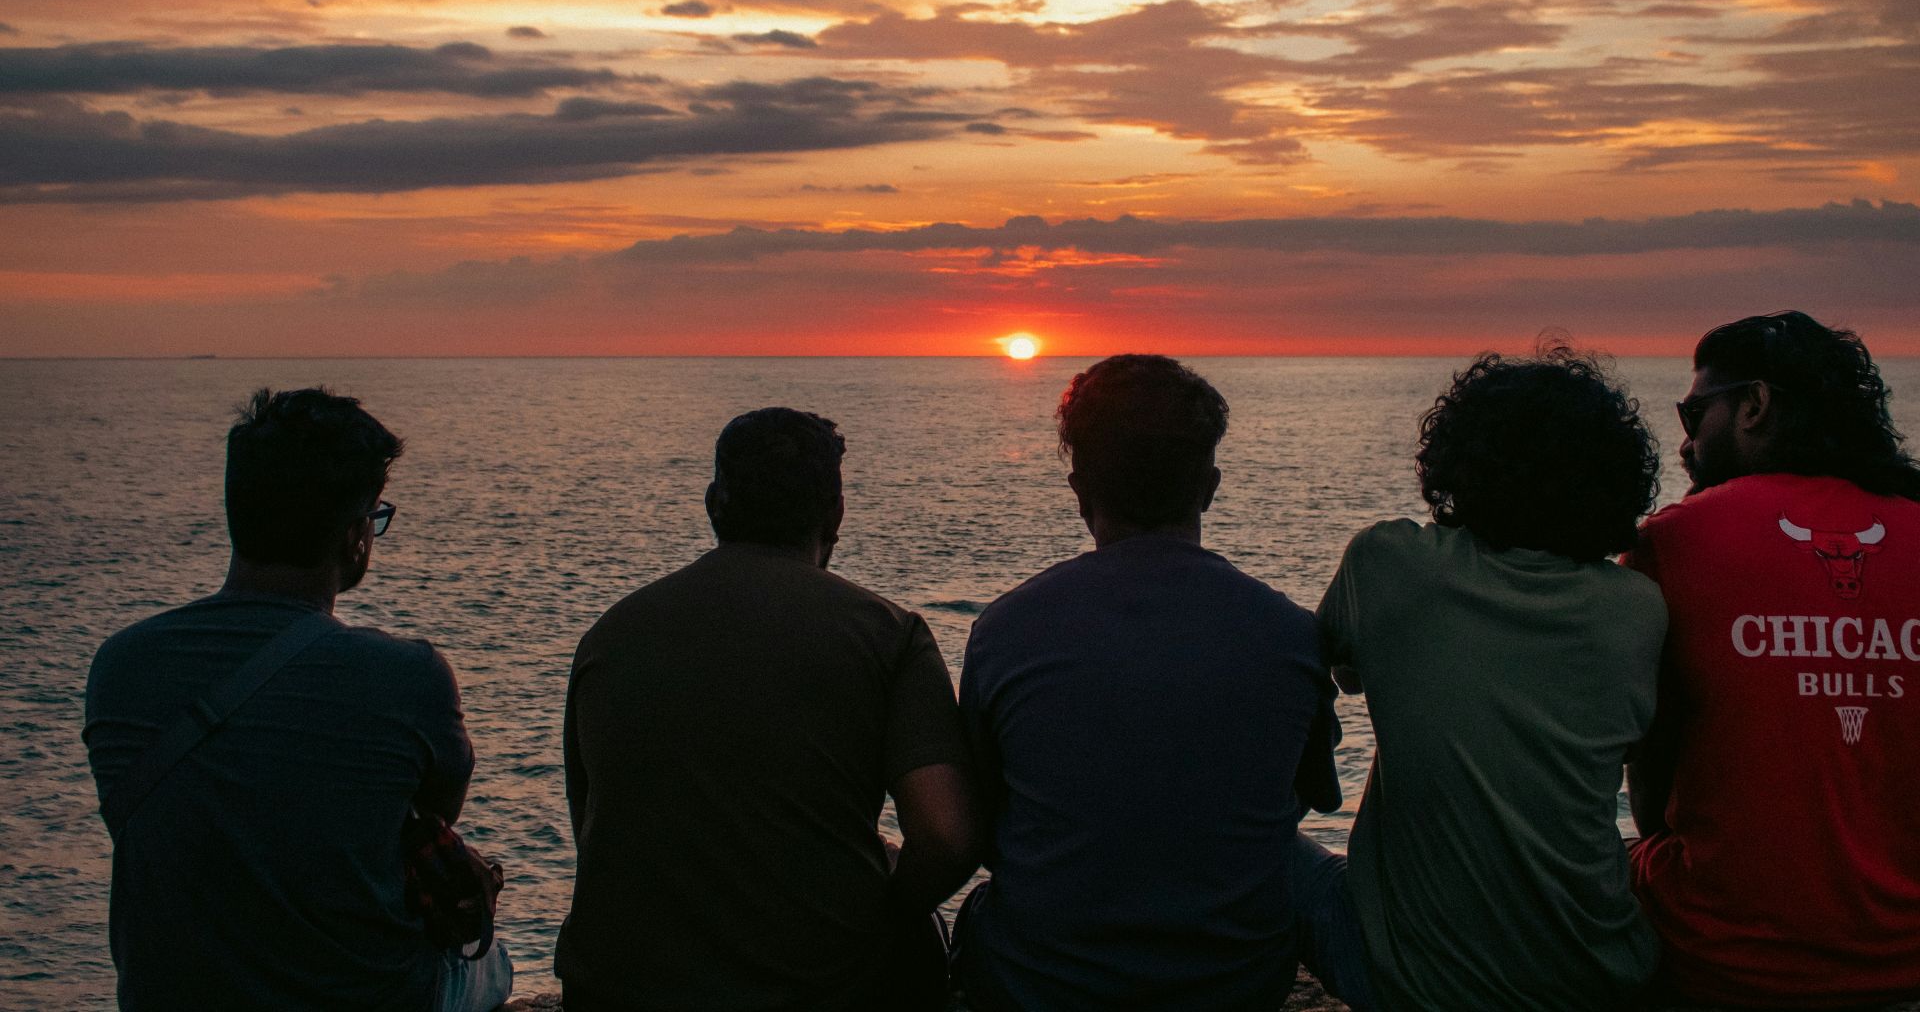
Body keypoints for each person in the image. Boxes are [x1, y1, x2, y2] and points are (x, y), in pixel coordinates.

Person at [83, 388, 510, 1012]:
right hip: (367, 995)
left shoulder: (121, 665)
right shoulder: (408, 675)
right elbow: (429, 818)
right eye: (375, 516)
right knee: (494, 966)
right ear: (351, 536)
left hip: (171, 995)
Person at [953, 354, 1343, 1011]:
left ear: (1080, 490)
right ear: (1210, 486)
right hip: (1234, 986)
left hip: (1042, 988)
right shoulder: (1288, 633)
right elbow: (1314, 796)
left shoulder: (1007, 631)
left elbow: (983, 827)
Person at [557, 407, 979, 1011]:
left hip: (614, 989)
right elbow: (945, 837)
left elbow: (595, 830)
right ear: (835, 514)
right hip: (818, 989)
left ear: (713, 505)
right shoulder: (888, 634)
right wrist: (882, 908)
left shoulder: (610, 635)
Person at [1316, 347, 1665, 1010]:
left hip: (1425, 988)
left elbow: (1341, 672)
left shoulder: (1389, 564)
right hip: (1598, 973)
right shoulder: (1637, 607)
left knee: (1271, 857)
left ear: (1457, 462)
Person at [1627, 310, 1920, 1006]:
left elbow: (1649, 797)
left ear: (1754, 405)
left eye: (1696, 410)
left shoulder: (1674, 543)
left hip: (1725, 960)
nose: (1686, 438)